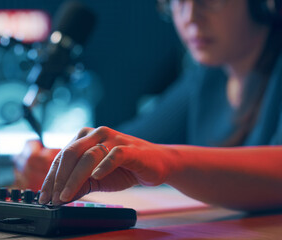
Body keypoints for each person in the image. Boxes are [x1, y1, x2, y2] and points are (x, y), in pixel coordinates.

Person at [14, 0, 282, 212]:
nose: (189, 17)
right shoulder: (205, 76)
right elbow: (133, 146)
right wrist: (65, 159)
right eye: (176, 1)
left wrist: (167, 161)